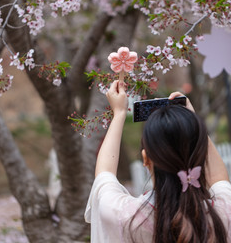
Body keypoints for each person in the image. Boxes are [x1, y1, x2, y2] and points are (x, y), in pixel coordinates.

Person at [85, 80, 231, 242]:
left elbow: (104, 175)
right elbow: (219, 178)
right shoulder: (222, 215)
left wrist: (119, 113)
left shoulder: (124, 216)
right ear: (200, 154)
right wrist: (191, 121)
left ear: (146, 158)